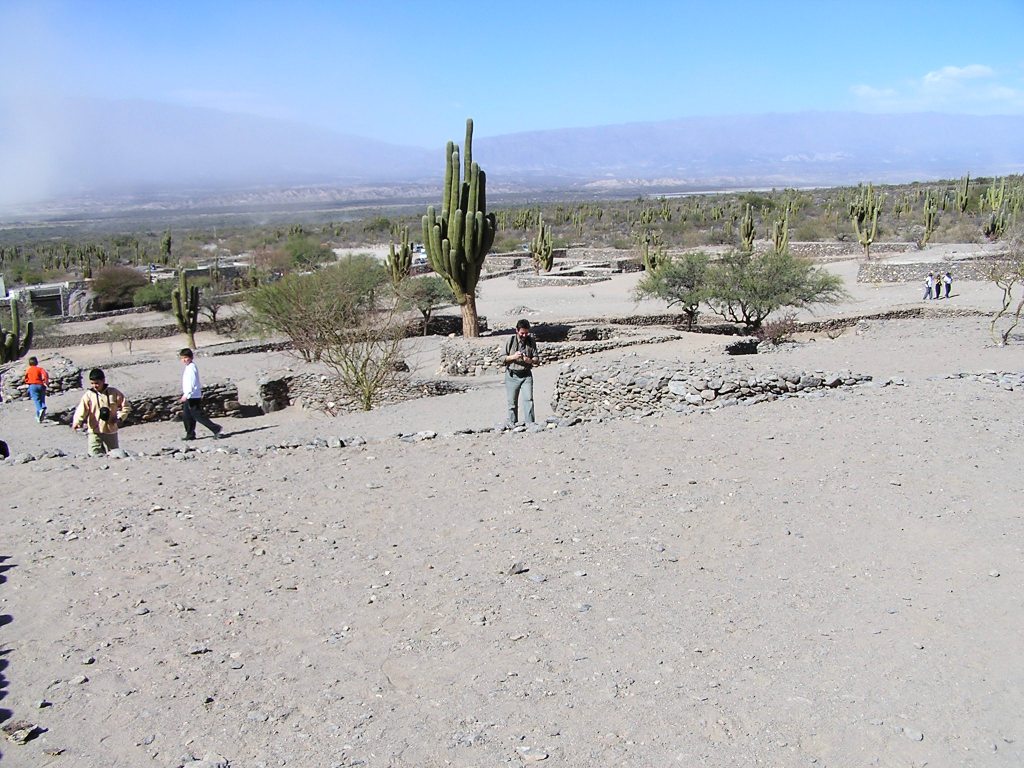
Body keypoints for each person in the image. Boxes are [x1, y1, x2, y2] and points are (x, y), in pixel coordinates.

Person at [72, 368, 131, 456]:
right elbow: (82, 409)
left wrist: (120, 418)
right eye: (92, 383)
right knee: (94, 454)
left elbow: (125, 406)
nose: (95, 386)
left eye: (97, 383)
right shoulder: (88, 395)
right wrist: (77, 421)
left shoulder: (113, 393)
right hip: (94, 430)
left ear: (103, 381)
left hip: (110, 430)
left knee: (115, 454)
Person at [179, 348, 223, 441]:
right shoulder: (188, 367)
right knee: (187, 416)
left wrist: (187, 394)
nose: (184, 360)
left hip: (192, 396)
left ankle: (216, 428)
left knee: (198, 416)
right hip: (190, 396)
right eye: (182, 358)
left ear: (190, 357)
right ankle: (190, 434)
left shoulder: (191, 368)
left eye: (186, 357)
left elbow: (192, 383)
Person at [502, 319, 540, 426]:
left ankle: (530, 424)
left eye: (526, 333)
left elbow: (537, 359)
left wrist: (530, 360)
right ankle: (512, 424)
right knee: (512, 403)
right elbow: (502, 358)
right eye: (522, 333)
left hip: (526, 375)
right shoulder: (510, 341)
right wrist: (513, 357)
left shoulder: (531, 341)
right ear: (517, 330)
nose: (524, 335)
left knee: (529, 400)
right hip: (512, 375)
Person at [24, 356, 50, 422]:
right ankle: (40, 415)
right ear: (37, 362)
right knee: (42, 399)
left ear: (29, 363)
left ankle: (40, 410)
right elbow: (45, 374)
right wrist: (46, 382)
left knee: (36, 400)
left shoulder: (28, 370)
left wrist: (27, 382)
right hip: (41, 385)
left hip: (32, 385)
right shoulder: (40, 369)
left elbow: (26, 378)